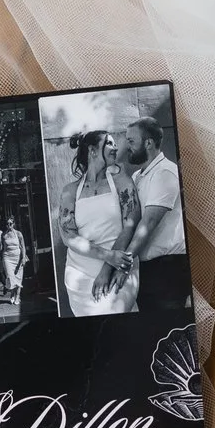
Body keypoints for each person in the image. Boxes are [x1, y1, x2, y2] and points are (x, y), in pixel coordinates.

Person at [112, 117, 190, 312]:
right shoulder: (138, 176)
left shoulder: (165, 173)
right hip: (147, 268)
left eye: (131, 141)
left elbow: (149, 222)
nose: (127, 147)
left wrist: (124, 265)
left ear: (148, 143)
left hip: (167, 268)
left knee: (167, 323)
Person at [58, 131, 139, 316]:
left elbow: (130, 226)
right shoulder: (70, 191)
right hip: (80, 272)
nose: (115, 147)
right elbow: (68, 236)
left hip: (119, 264)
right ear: (92, 150)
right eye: (109, 143)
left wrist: (109, 267)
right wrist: (107, 255)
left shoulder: (122, 182)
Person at [0, 212, 26, 300]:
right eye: (7, 224)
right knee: (10, 277)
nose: (8, 225)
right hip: (7, 258)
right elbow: (3, 248)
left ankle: (17, 296)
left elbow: (23, 247)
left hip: (17, 257)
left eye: (10, 224)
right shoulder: (4, 235)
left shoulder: (18, 234)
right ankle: (12, 293)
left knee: (18, 277)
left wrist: (23, 258)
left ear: (13, 224)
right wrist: (1, 257)